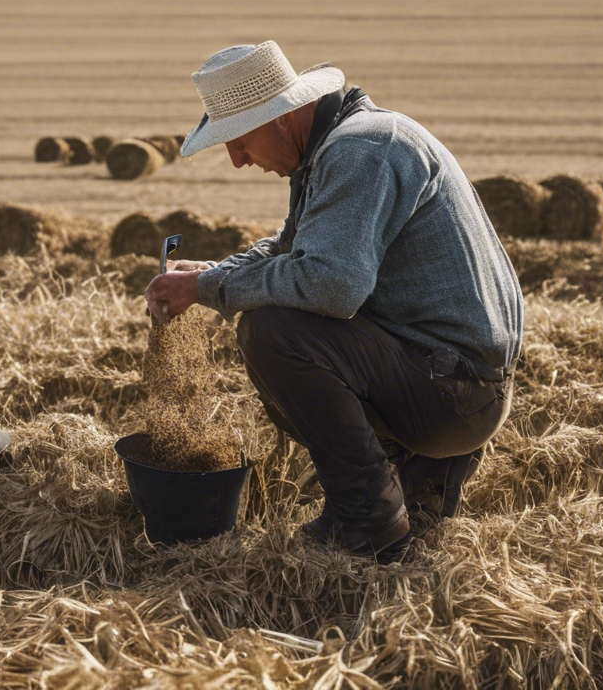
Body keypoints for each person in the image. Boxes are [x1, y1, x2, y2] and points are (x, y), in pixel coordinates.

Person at [145, 41, 523, 562]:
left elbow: (330, 285)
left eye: (239, 140)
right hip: (451, 376)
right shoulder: (340, 144)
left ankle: (366, 514)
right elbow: (290, 250)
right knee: (282, 305)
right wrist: (214, 273)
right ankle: (416, 490)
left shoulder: (361, 149)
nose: (237, 161)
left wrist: (208, 292)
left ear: (283, 119)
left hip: (452, 393)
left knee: (273, 329)